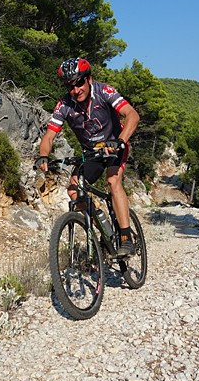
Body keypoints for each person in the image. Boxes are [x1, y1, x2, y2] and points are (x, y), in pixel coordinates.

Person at [36, 57, 140, 257]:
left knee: (112, 181)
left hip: (115, 147)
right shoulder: (64, 105)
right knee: (73, 190)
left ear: (88, 79)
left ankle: (126, 237)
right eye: (70, 86)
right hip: (92, 154)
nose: (76, 89)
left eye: (79, 83)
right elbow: (49, 136)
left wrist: (120, 140)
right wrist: (43, 156)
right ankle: (99, 220)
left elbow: (132, 115)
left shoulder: (104, 92)